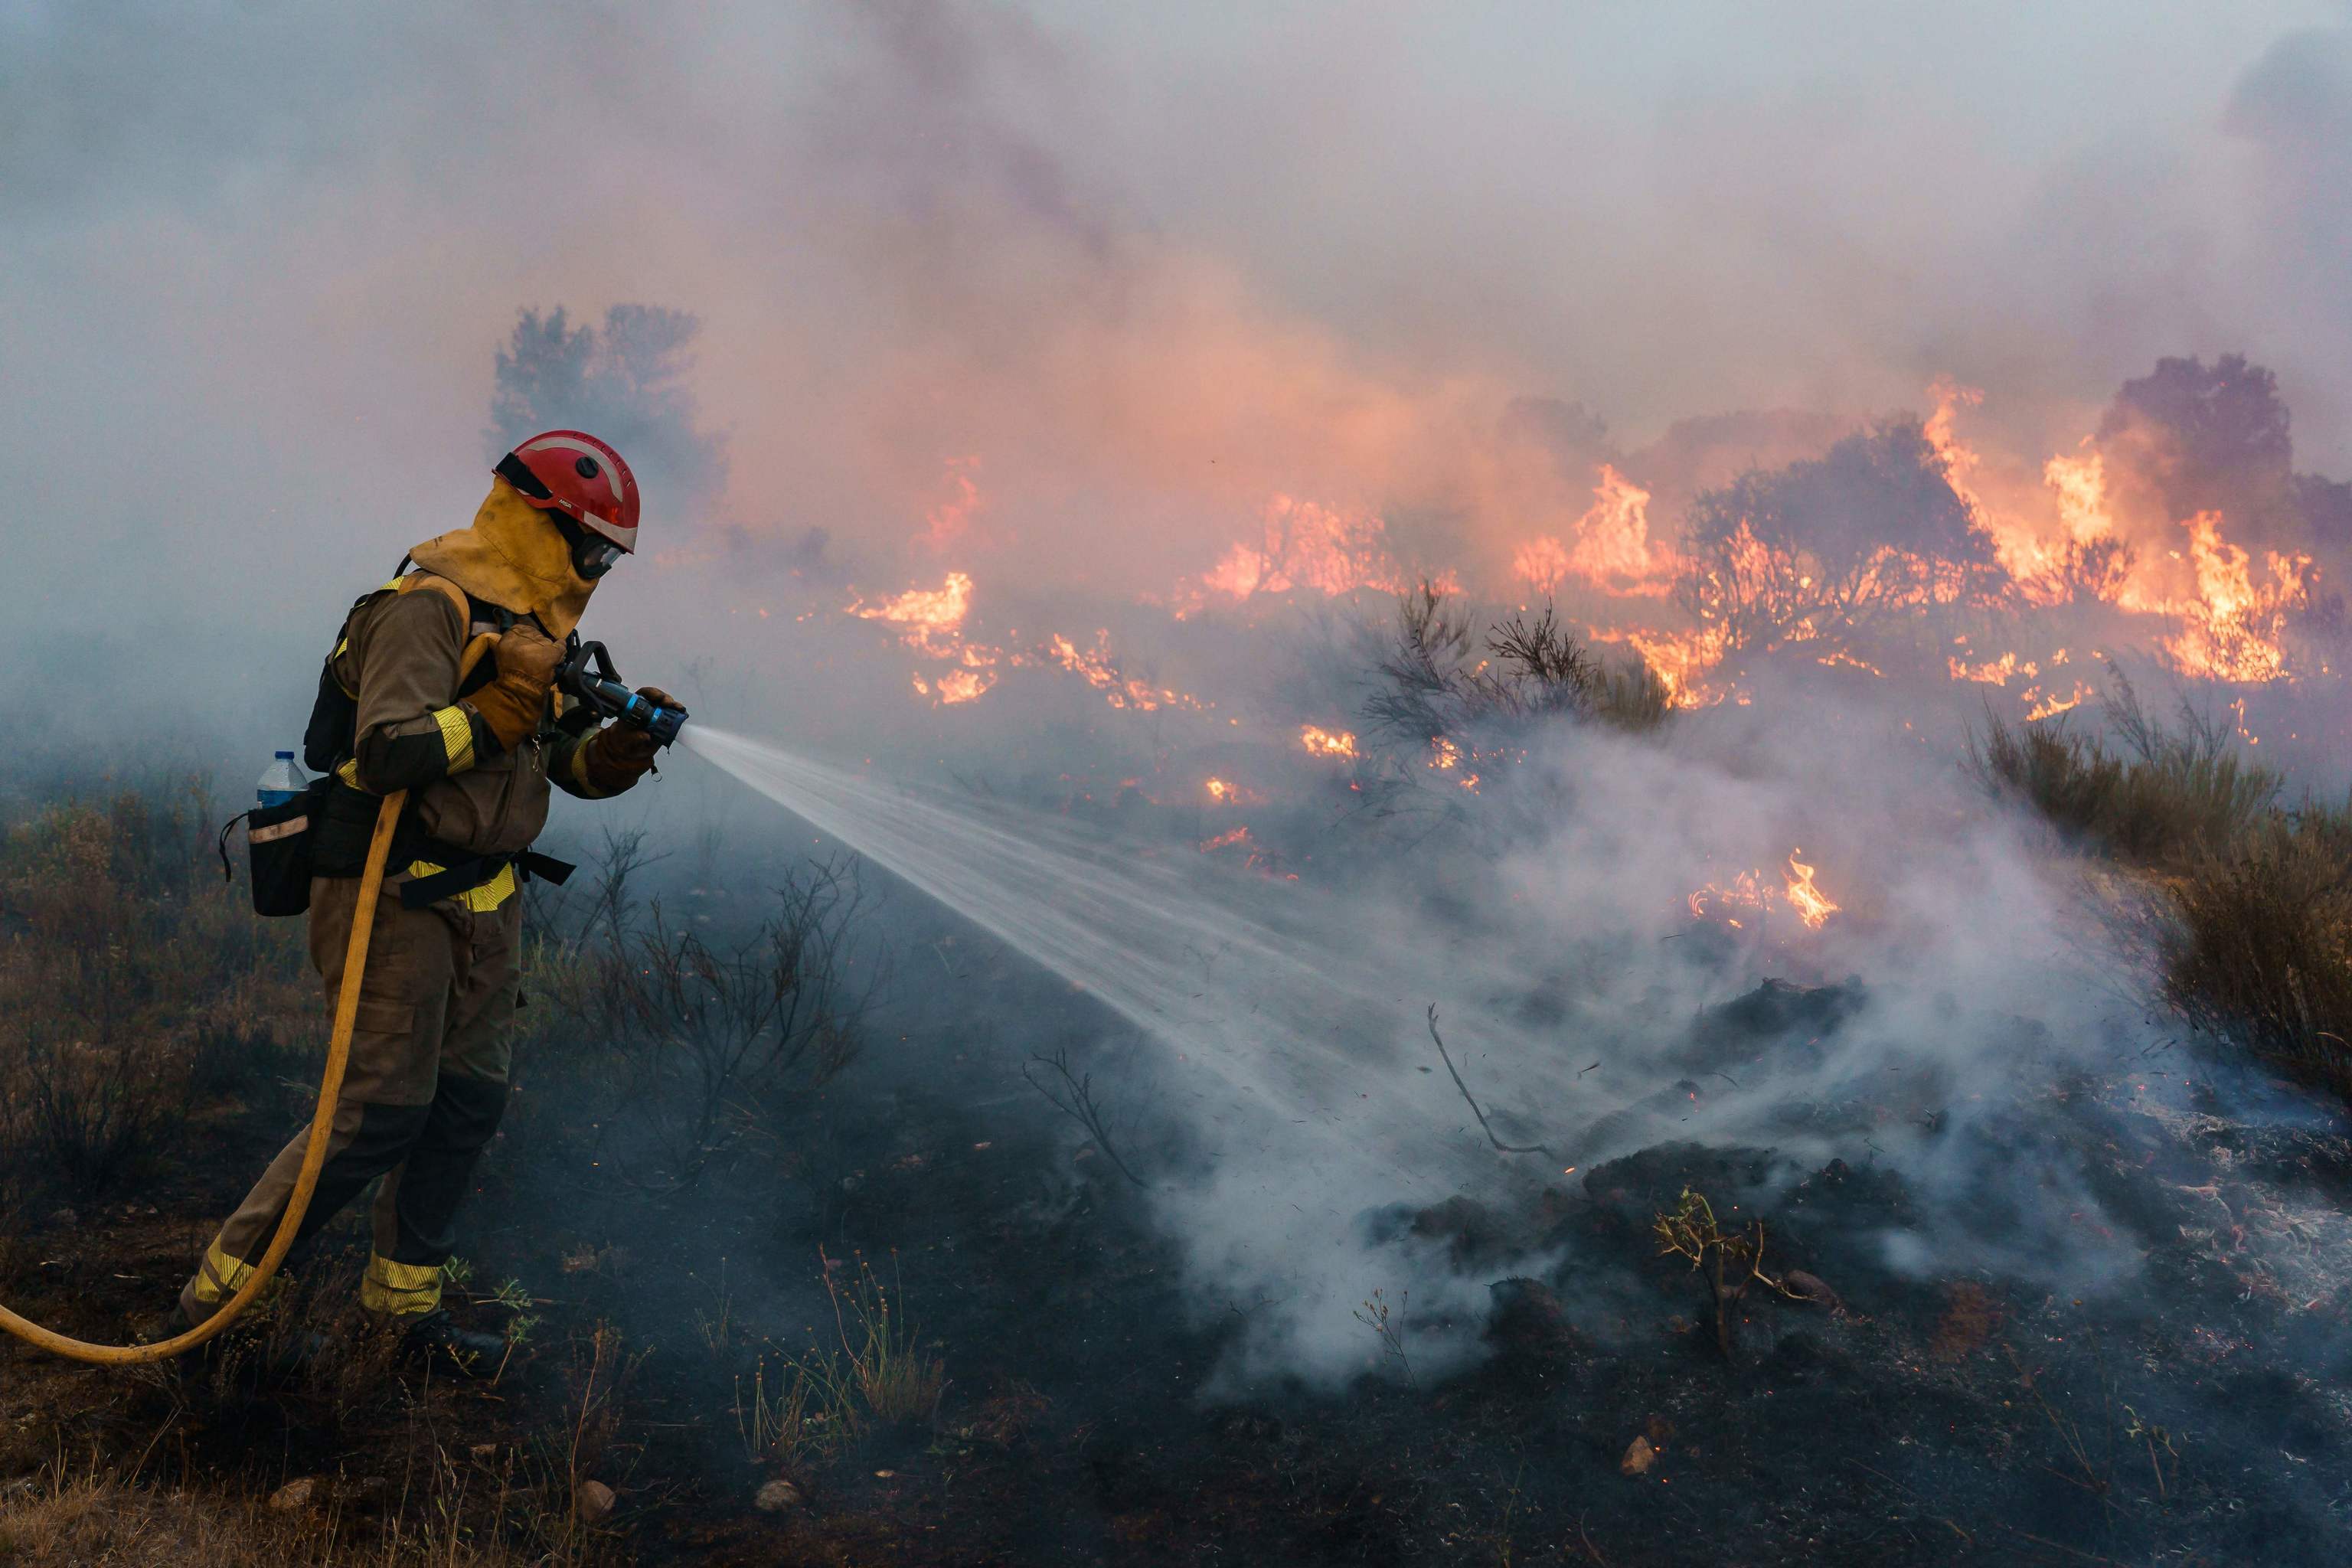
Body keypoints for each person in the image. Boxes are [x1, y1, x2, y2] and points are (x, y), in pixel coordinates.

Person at [171, 430, 675, 1374]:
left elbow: (553, 761)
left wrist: (613, 751)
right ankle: (215, 1311)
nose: (599, 569)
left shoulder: (535, 629)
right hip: (391, 889)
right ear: (535, 521)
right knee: (378, 1110)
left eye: (609, 556)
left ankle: (400, 1315)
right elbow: (395, 748)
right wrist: (495, 712)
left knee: (465, 1105)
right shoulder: (428, 607)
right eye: (592, 547)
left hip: (487, 901)